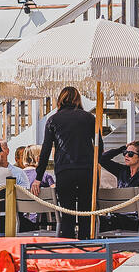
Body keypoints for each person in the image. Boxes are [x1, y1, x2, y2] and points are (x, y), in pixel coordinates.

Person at [37, 87, 98, 238]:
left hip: (65, 169)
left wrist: (39, 177)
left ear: (60, 99)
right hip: (87, 169)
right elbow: (99, 145)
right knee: (85, 211)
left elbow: (45, 150)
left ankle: (68, 246)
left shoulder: (53, 120)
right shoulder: (89, 118)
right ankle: (85, 245)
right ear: (78, 99)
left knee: (67, 211)